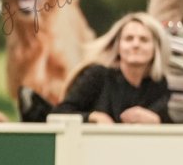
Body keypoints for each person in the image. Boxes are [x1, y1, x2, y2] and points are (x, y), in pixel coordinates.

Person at [20, 12, 171, 124]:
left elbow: (170, 123)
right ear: (118, 46)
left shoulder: (158, 84)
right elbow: (59, 114)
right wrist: (92, 117)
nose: (136, 44)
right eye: (129, 39)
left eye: (144, 40)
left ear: (156, 48)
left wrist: (155, 120)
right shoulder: (98, 75)